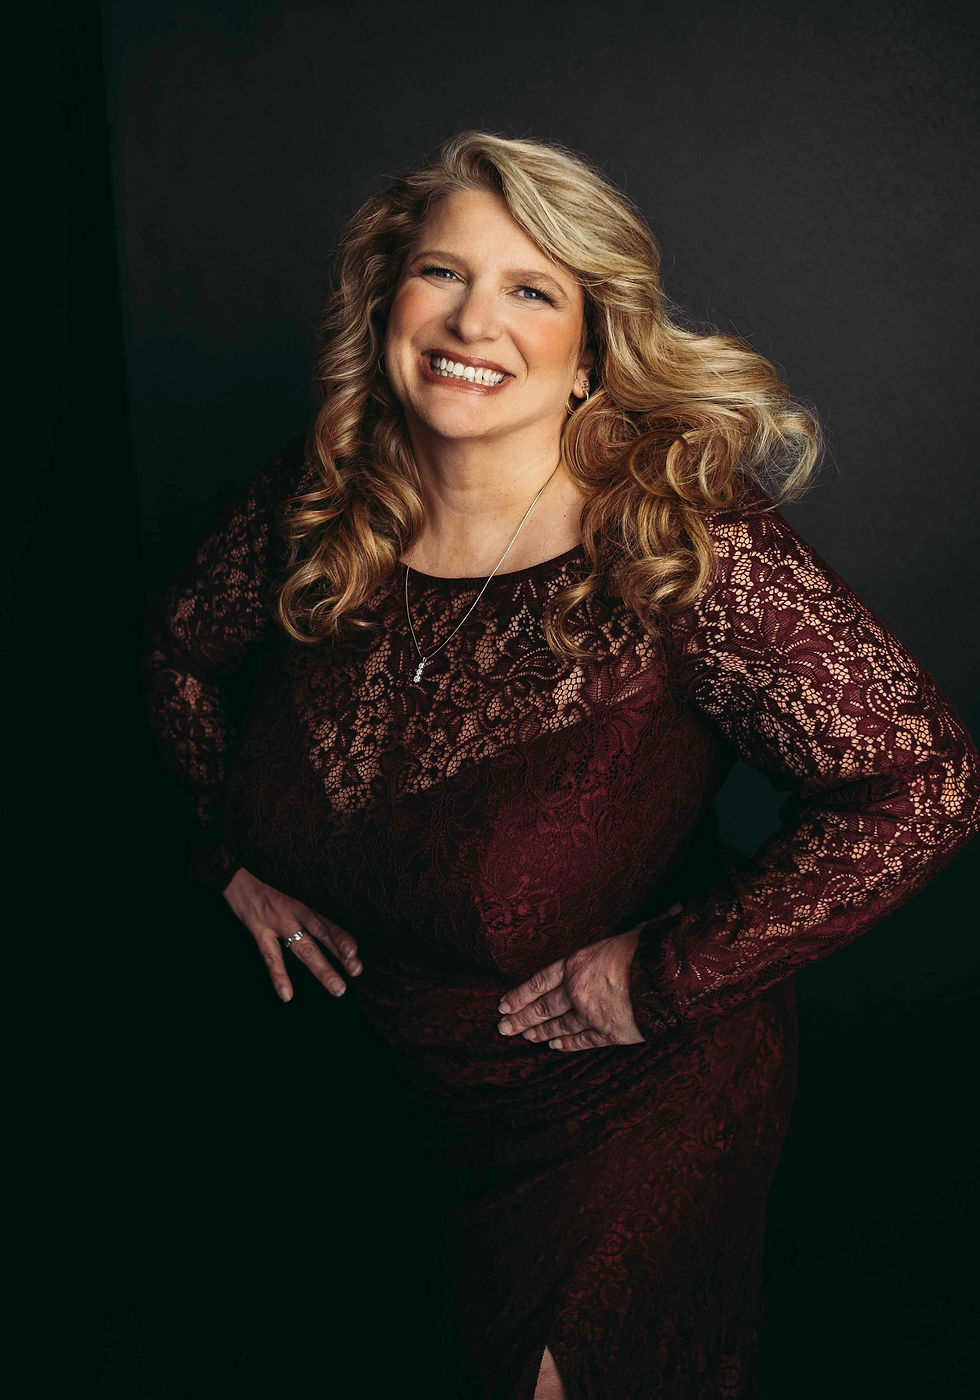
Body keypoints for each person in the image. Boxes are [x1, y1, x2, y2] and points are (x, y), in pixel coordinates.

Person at [144, 130, 980, 1399]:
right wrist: (226, 858)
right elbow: (172, 657)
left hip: (624, 1107)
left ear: (590, 345)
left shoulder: (675, 544)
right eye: (440, 274)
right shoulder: (320, 507)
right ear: (386, 306)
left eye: (530, 288)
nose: (472, 318)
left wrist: (666, 971)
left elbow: (922, 781)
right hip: (376, 1101)